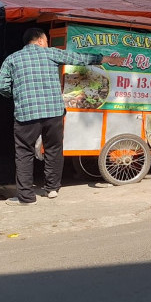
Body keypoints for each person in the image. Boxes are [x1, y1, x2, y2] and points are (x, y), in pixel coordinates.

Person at [0, 28, 122, 205]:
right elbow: (80, 58)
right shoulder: (51, 54)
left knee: (24, 153)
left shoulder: (12, 59)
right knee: (54, 149)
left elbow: (2, 85)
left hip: (26, 113)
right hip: (53, 113)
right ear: (41, 40)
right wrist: (108, 59)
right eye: (47, 41)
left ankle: (26, 197)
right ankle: (52, 189)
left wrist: (18, 96)